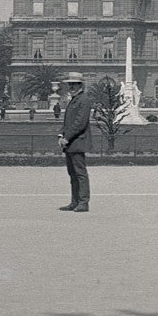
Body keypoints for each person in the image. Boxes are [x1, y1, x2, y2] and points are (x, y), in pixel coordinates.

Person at [57, 71, 91, 212]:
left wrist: (66, 137)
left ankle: (83, 202)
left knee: (80, 174)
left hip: (77, 141)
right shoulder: (74, 100)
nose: (72, 86)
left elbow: (79, 123)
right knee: (72, 173)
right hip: (71, 142)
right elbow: (68, 121)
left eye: (75, 84)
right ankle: (75, 201)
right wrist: (60, 134)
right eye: (70, 84)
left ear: (80, 85)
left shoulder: (83, 100)